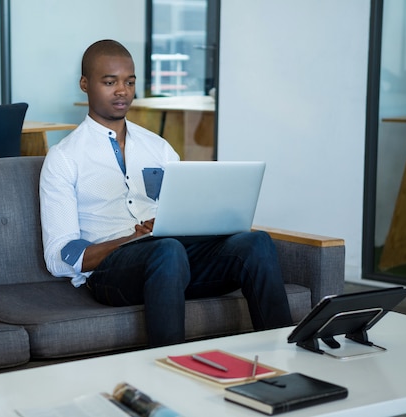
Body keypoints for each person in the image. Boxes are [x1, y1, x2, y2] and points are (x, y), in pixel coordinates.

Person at [39, 39, 293, 347]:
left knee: (255, 243)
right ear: (85, 84)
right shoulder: (64, 158)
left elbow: (186, 208)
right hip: (111, 273)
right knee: (167, 249)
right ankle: (169, 365)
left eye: (129, 82)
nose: (122, 91)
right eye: (110, 82)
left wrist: (192, 222)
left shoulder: (158, 148)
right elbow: (59, 255)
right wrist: (133, 240)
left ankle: (285, 354)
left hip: (173, 261)